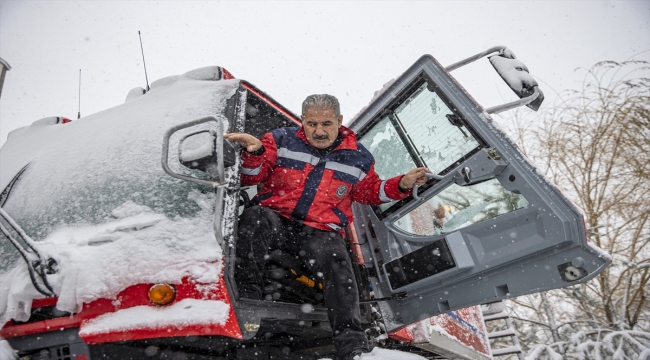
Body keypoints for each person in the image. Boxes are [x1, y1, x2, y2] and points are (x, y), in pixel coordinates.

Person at [224, 94, 429, 360]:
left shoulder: (359, 157)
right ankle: (248, 298)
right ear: (302, 121)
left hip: (318, 231)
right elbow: (254, 175)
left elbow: (370, 192)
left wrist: (402, 184)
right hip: (276, 220)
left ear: (339, 121)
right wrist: (255, 154)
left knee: (338, 263)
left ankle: (352, 346)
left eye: (326, 124)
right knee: (255, 218)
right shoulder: (280, 140)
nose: (319, 131)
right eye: (312, 124)